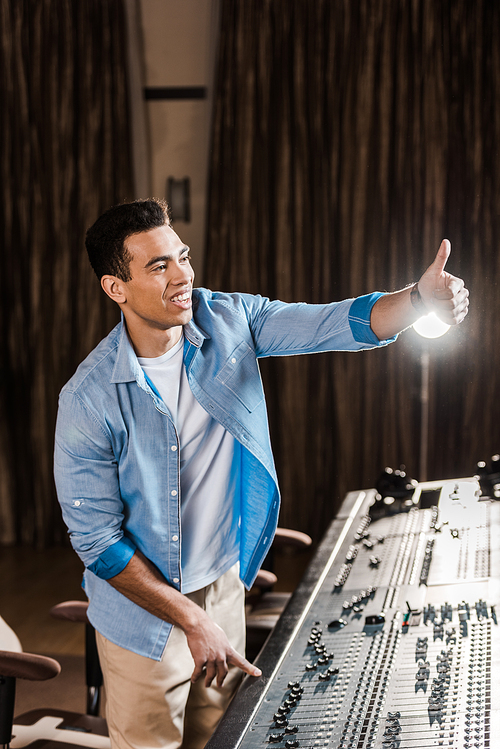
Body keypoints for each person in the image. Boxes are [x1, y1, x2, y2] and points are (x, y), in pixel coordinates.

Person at [54, 198, 468, 749]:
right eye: (158, 267)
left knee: (221, 736)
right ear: (115, 288)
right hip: (142, 621)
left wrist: (416, 301)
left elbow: (329, 323)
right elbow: (98, 542)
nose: (183, 277)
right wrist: (190, 620)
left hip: (224, 585)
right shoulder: (87, 400)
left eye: (182, 257)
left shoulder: (229, 319)